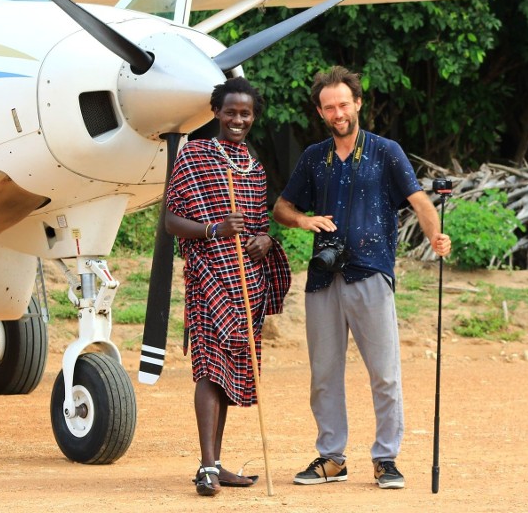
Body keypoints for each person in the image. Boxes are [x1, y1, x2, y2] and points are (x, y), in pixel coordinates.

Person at [273, 65, 451, 490]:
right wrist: (304, 220)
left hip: (371, 274)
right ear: (320, 111)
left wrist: (436, 237)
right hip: (323, 279)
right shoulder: (313, 157)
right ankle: (332, 458)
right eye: (329, 106)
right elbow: (281, 208)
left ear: (357, 103)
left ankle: (386, 458)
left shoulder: (386, 151)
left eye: (343, 104)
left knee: (384, 372)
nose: (338, 112)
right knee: (324, 374)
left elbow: (421, 202)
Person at [164, 76, 291, 497]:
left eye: (246, 113)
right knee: (209, 368)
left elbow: (259, 227)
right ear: (216, 113)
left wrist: (265, 240)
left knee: (232, 372)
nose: (238, 119)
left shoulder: (253, 170)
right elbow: (171, 221)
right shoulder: (195, 155)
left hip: (245, 285)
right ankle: (205, 467)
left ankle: (216, 464)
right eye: (231, 112)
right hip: (208, 279)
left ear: (253, 117)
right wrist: (215, 229)